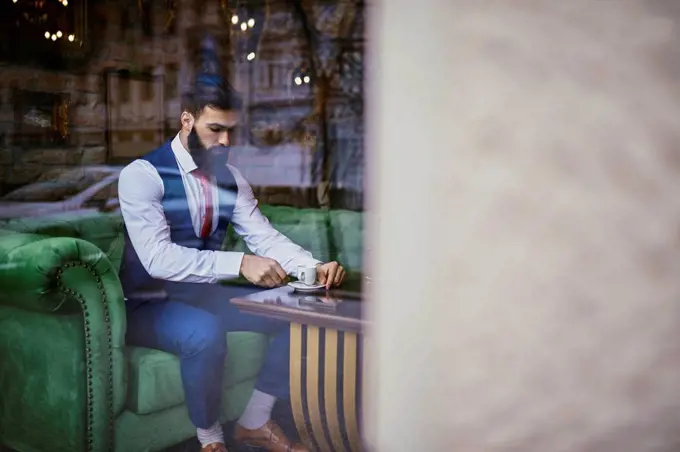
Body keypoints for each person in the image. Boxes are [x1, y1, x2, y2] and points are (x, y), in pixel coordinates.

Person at [117, 34, 345, 452]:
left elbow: (264, 236)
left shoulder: (231, 178)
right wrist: (240, 263)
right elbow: (157, 259)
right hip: (149, 303)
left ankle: (255, 421)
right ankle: (210, 441)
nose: (224, 142)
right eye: (214, 130)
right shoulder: (142, 175)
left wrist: (313, 266)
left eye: (230, 132)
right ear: (187, 121)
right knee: (204, 334)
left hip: (204, 294)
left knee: (299, 315)